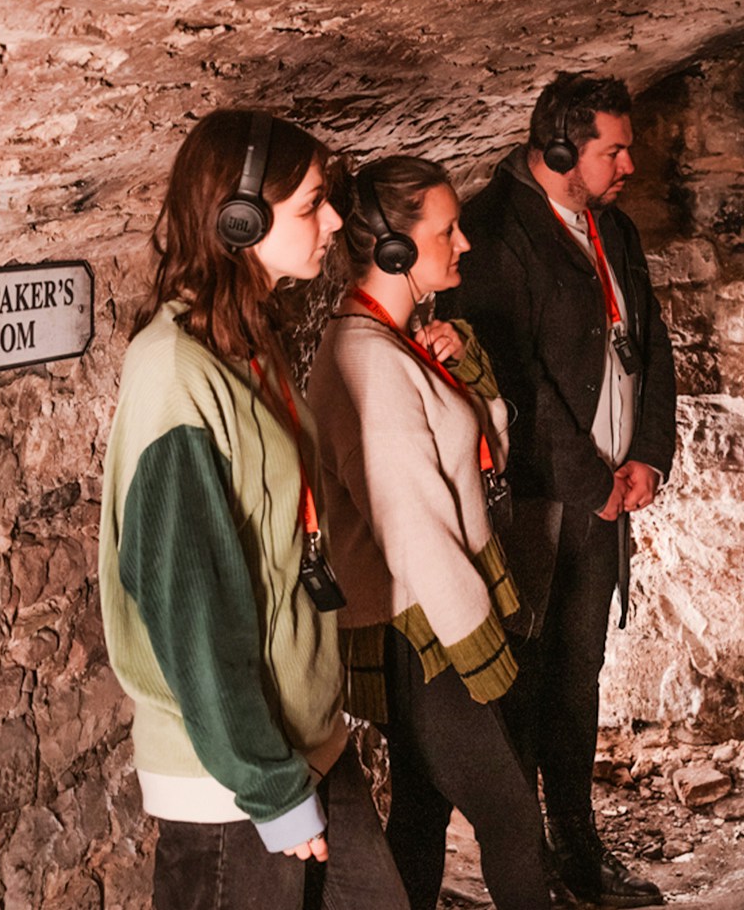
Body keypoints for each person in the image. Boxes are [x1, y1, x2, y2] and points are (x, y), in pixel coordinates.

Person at [98, 109, 407, 909]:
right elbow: (190, 610)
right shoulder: (172, 370)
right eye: (311, 205)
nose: (334, 220)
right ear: (239, 221)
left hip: (305, 742)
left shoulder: (248, 338)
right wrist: (269, 789)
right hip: (232, 777)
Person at [439, 72, 676, 908]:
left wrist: (647, 452)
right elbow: (515, 382)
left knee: (580, 672)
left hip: (606, 492)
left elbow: (648, 338)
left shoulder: (613, 228)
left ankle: (578, 848)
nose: (629, 166)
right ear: (560, 148)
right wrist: (590, 482)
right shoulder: (496, 234)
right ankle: (525, 857)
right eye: (614, 149)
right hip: (541, 501)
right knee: (526, 678)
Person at [307, 156, 548, 909]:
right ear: (396, 250)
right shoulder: (370, 363)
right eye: (448, 230)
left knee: (418, 819)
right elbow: (411, 530)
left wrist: (469, 371)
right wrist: (485, 648)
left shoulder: (402, 340)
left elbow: (488, 453)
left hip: (432, 621)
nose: (465, 244)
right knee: (512, 823)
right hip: (428, 635)